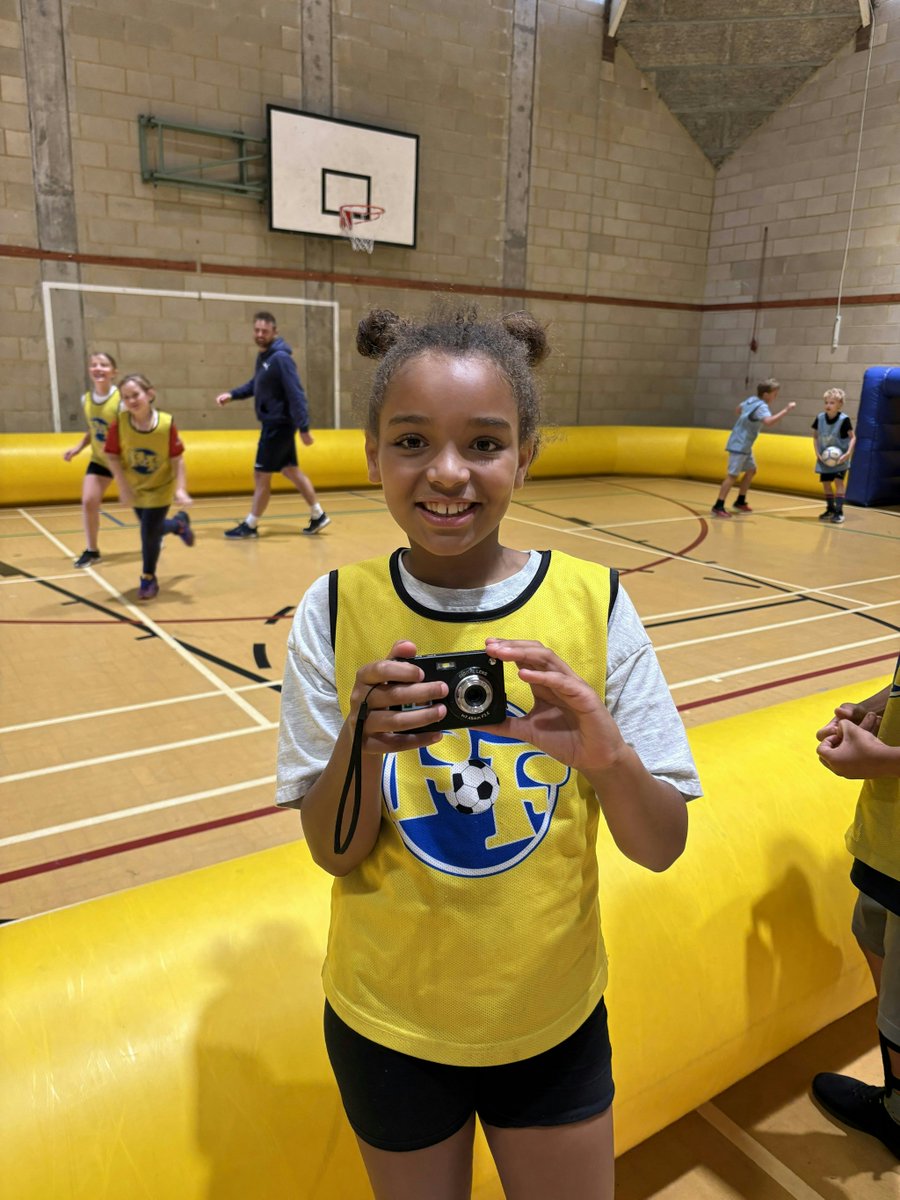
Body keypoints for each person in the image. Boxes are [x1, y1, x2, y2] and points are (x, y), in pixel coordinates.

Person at [276, 304, 702, 1200]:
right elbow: (332, 850)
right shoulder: (332, 609)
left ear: (526, 455)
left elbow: (660, 846)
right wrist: (362, 738)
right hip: (388, 1024)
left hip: (551, 1020)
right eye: (411, 442)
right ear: (370, 455)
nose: (446, 474)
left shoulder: (597, 602)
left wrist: (606, 757)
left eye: (483, 444)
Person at [814, 658, 900, 1160]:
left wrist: (887, 761)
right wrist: (869, 711)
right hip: (886, 841)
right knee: (873, 939)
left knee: (899, 1009)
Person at [215, 311, 329, 538]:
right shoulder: (265, 358)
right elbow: (254, 384)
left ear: (274, 332)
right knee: (291, 470)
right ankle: (318, 515)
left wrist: (304, 428)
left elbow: (296, 394)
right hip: (276, 426)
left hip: (278, 427)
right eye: (256, 330)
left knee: (261, 477)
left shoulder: (280, 359)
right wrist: (232, 395)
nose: (259, 334)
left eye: (264, 331)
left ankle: (251, 524)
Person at [104, 373, 194, 602]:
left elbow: (177, 460)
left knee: (147, 534)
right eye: (126, 397)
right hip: (136, 488)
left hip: (161, 487)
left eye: (136, 395)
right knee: (153, 528)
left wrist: (180, 489)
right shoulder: (120, 424)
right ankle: (178, 524)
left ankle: (148, 577)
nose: (131, 401)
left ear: (149, 394)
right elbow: (112, 456)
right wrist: (122, 487)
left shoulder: (165, 424)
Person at [63, 351, 121, 568]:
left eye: (104, 365)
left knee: (142, 506)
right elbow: (95, 429)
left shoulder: (122, 400)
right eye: (94, 365)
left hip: (125, 462)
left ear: (114, 372)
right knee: (89, 502)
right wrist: (78, 447)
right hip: (100, 459)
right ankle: (92, 550)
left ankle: (159, 531)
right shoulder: (86, 400)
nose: (98, 368)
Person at [711, 378, 795, 518]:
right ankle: (718, 505)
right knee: (732, 476)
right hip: (740, 444)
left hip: (743, 444)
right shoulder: (762, 407)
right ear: (766, 394)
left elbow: (738, 410)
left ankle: (740, 501)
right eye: (775, 393)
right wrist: (786, 410)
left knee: (751, 470)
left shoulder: (751, 400)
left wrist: (746, 420)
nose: (776, 396)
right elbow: (768, 422)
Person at [812, 387, 856, 524]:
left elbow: (853, 438)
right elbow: (815, 437)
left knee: (838, 482)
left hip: (840, 459)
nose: (828, 405)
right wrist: (817, 453)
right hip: (825, 459)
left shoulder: (844, 420)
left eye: (832, 403)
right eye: (826, 402)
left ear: (839, 405)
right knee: (826, 484)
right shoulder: (820, 418)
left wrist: (848, 453)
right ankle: (830, 508)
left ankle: (839, 511)